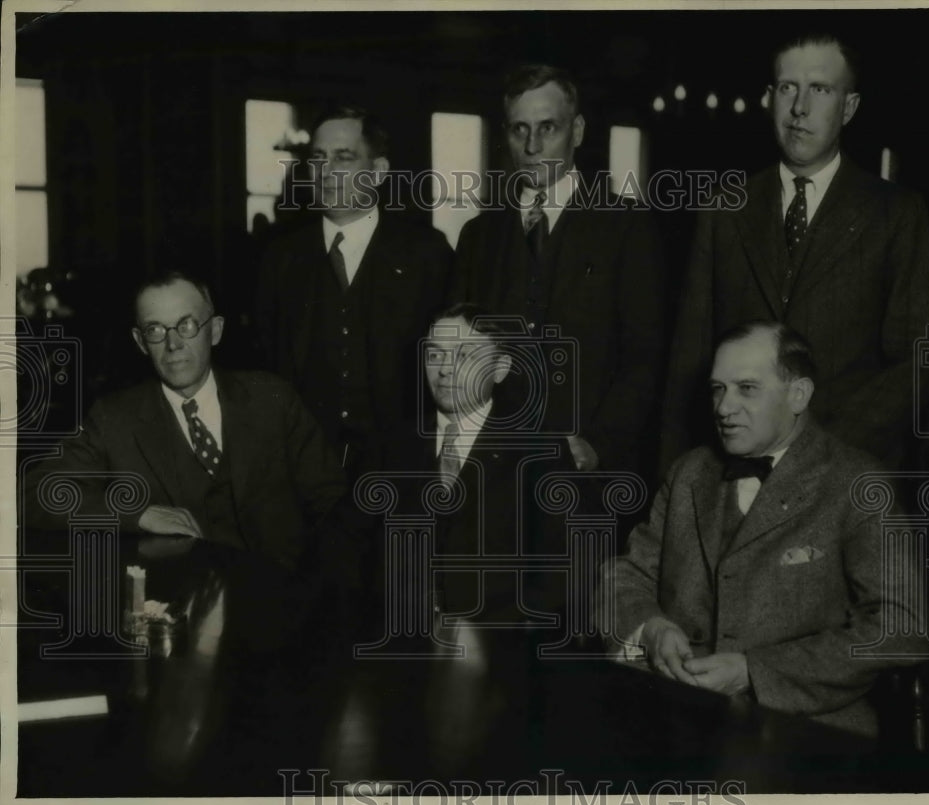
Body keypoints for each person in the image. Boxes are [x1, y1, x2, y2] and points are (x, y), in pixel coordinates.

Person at [600, 322, 926, 737]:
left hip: (806, 733)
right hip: (670, 716)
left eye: (746, 388)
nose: (723, 407)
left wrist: (755, 672)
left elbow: (901, 628)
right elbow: (624, 577)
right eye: (718, 388)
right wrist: (652, 629)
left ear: (798, 395)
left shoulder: (858, 485)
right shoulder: (689, 473)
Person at [660, 34, 929, 474]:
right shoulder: (724, 207)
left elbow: (914, 364)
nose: (799, 108)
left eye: (820, 90)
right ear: (770, 99)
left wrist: (812, 453)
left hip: (847, 476)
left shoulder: (896, 213)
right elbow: (688, 361)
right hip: (735, 476)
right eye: (788, 88)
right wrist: (674, 487)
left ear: (848, 107)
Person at [23, 270, 348, 570]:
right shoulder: (114, 419)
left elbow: (335, 506)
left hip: (283, 602)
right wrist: (138, 514)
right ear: (140, 342)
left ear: (215, 330)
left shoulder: (272, 400)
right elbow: (33, 493)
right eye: (155, 330)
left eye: (187, 325)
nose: (173, 344)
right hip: (180, 610)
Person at [452, 65, 666, 477]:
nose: (532, 146)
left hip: (588, 470)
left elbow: (644, 358)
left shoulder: (625, 226)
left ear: (578, 131)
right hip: (495, 472)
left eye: (547, 128)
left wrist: (599, 444)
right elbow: (458, 356)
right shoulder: (477, 236)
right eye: (519, 129)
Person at [256, 105, 453, 477]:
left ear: (378, 171)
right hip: (307, 470)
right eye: (318, 159)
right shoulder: (280, 258)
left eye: (343, 159)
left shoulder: (427, 253)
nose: (326, 172)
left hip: (406, 469)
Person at [365, 303, 572, 636]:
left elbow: (562, 570)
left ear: (500, 368)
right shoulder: (390, 445)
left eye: (464, 355)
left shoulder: (539, 451)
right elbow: (354, 552)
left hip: (497, 649)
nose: (445, 369)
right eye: (435, 354)